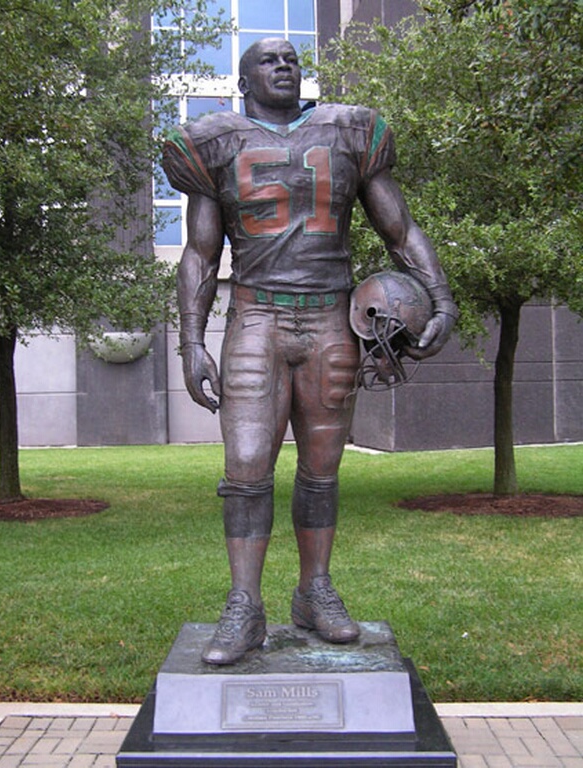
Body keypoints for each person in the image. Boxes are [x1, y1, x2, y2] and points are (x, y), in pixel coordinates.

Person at [163, 38, 458, 665]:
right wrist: (190, 339)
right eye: (268, 60)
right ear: (243, 82)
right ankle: (244, 604)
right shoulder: (217, 141)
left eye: (291, 59)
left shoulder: (348, 131)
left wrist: (441, 298)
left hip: (330, 317)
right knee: (245, 468)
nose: (284, 66)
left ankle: (314, 589)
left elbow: (399, 229)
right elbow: (199, 252)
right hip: (257, 317)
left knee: (322, 467)